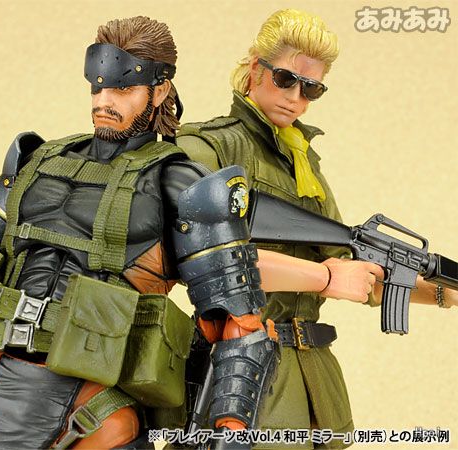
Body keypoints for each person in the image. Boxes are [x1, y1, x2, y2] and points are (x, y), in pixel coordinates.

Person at [0, 14, 402, 450]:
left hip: (91, 417)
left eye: (123, 88)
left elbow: (239, 324)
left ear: (159, 90)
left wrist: (227, 433)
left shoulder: (182, 184)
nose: (104, 101)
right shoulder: (33, 161)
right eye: (99, 87)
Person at [177, 8, 457, 449]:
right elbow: (210, 263)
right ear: (255, 69)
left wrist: (440, 293)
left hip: (317, 380)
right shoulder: (209, 147)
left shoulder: (303, 163)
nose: (296, 97)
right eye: (285, 79)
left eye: (312, 88)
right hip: (244, 372)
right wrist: (325, 277)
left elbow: (356, 273)